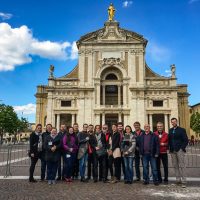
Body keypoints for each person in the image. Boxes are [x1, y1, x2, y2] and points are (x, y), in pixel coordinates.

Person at [168, 118, 188, 187]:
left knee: (182, 166)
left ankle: (184, 181)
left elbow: (185, 140)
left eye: (174, 122)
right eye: (172, 122)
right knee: (175, 166)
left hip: (180, 150)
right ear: (171, 123)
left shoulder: (182, 130)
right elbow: (169, 140)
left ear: (177, 122)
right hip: (172, 151)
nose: (173, 123)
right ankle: (178, 180)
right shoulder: (170, 130)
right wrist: (169, 148)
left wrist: (182, 148)